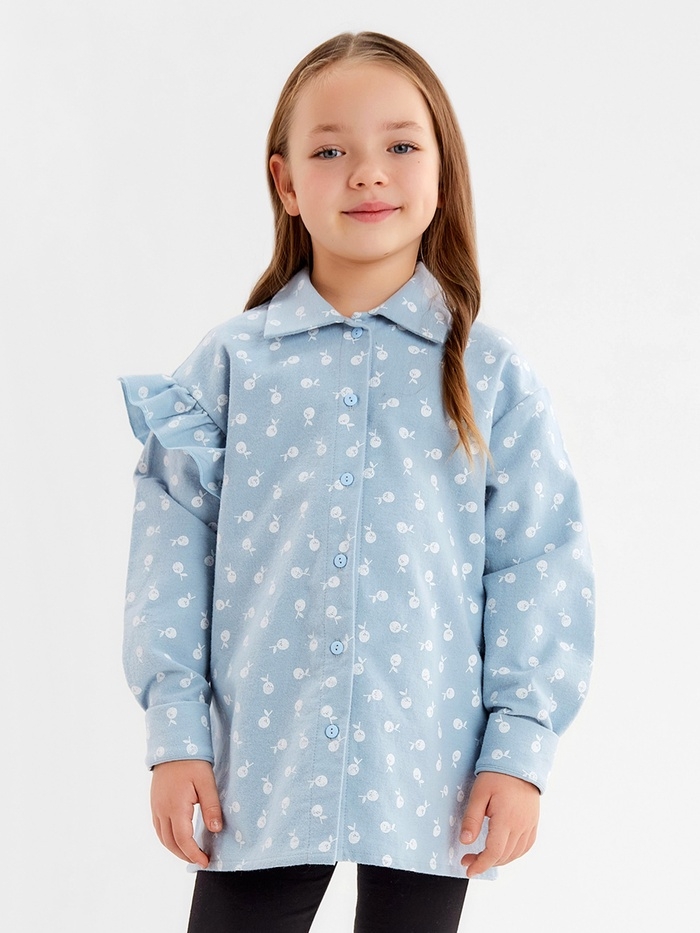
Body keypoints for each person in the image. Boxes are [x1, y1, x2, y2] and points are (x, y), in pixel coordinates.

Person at [119, 30, 595, 933]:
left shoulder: (490, 375)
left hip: (433, 766)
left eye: (401, 145)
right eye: (331, 151)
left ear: (442, 174)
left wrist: (518, 748)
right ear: (286, 183)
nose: (368, 172)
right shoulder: (229, 367)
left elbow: (537, 565)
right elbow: (170, 559)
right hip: (261, 757)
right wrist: (175, 731)